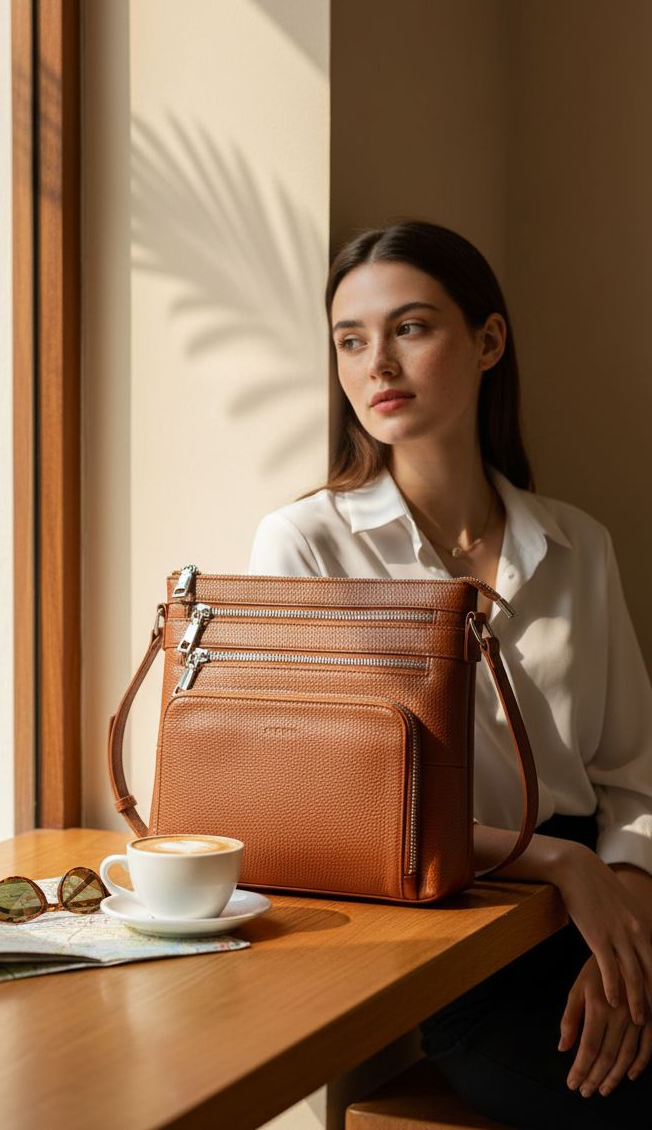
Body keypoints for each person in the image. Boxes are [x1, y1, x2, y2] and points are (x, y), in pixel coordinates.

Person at [247, 220, 652, 1129]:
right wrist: (556, 860)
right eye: (351, 340)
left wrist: (627, 931)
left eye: (411, 328)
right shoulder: (305, 544)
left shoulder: (579, 544)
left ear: (488, 341)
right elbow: (322, 803)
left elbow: (636, 771)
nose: (376, 364)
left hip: (613, 915)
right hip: (466, 942)